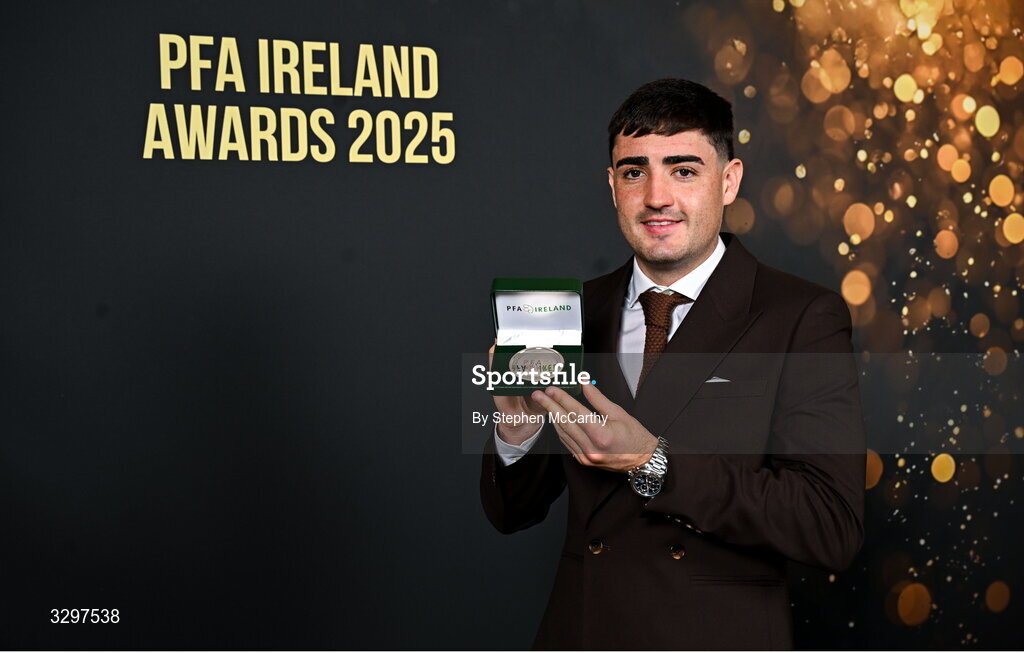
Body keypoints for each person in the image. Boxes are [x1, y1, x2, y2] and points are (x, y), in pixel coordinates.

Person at [479, 78, 866, 650]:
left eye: (683, 170)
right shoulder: (569, 311)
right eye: (635, 172)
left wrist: (651, 461)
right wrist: (514, 428)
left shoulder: (800, 316)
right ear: (612, 186)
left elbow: (829, 525)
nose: (656, 196)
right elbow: (511, 514)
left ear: (728, 181)